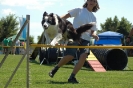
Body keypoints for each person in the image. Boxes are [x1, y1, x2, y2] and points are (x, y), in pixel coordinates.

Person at [49, 0, 100, 83]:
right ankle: (55, 69)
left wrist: (94, 35)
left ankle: (72, 77)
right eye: (90, 0)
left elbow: (93, 30)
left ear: (95, 4)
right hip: (74, 36)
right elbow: (66, 15)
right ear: (86, 1)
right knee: (70, 56)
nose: (91, 2)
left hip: (86, 39)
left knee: (83, 56)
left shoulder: (93, 17)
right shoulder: (78, 10)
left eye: (94, 1)